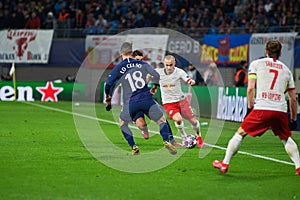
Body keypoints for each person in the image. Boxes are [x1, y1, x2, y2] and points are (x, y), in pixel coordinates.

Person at [213, 40, 300, 175]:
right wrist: (293, 119)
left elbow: (250, 89)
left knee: (240, 133)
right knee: (286, 137)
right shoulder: (286, 70)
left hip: (262, 108)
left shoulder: (256, 64)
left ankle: (225, 163)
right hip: (280, 109)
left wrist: (249, 108)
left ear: (266, 52)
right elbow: (293, 98)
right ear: (280, 52)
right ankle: (298, 167)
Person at [105, 42, 177, 155]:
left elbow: (109, 84)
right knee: (162, 120)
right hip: (146, 99)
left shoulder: (119, 67)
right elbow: (156, 75)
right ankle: (166, 141)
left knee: (123, 124)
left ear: (121, 53)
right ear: (132, 52)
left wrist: (108, 98)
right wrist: (154, 87)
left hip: (130, 103)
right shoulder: (141, 63)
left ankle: (134, 147)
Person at [151, 55, 205, 148]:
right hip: (169, 103)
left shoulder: (179, 71)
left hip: (181, 101)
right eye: (167, 65)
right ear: (164, 64)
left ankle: (198, 136)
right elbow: (155, 81)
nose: (169, 67)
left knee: (194, 122)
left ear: (174, 63)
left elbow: (187, 78)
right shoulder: (159, 73)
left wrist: (190, 81)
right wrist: (154, 88)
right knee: (178, 119)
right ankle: (184, 137)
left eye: (171, 65)